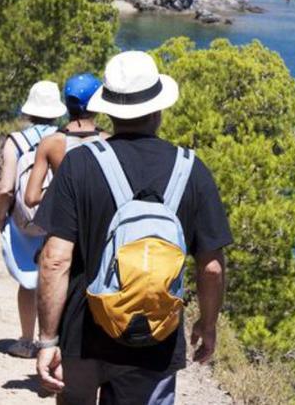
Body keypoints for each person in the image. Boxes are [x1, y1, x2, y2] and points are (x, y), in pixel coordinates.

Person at [34, 51, 232, 404]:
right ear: (158, 109)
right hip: (155, 338)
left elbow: (54, 260)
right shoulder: (192, 171)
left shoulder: (79, 164)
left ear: (109, 109)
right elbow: (212, 266)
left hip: (83, 333)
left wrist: (48, 339)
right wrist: (208, 324)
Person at [0, 80, 67, 359]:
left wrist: (1, 216)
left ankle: (27, 342)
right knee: (57, 277)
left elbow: (5, 188)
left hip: (24, 220)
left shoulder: (15, 141)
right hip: (58, 219)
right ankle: (52, 342)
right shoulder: (64, 140)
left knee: (28, 281)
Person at [23, 73, 107, 211]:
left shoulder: (49, 143)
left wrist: (65, 192)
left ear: (67, 103)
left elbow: (31, 198)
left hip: (65, 218)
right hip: (99, 219)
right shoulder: (109, 140)